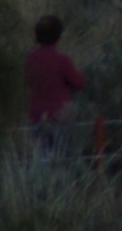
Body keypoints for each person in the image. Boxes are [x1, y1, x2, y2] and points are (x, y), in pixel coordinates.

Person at [25, 14, 86, 158]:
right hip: (60, 117)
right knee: (63, 159)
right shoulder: (62, 60)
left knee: (41, 160)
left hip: (36, 116)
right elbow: (79, 83)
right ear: (58, 35)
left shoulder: (29, 59)